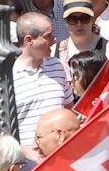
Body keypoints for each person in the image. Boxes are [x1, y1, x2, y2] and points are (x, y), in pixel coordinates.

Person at [10, 13, 72, 157]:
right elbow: (3, 129)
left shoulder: (56, 66)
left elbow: (69, 108)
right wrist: (31, 155)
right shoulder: (9, 77)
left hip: (63, 157)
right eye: (48, 36)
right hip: (28, 166)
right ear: (29, 40)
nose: (54, 39)